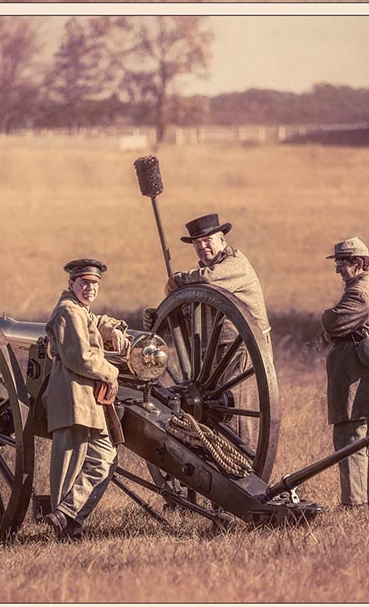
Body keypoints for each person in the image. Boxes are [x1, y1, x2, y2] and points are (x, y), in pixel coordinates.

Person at [148, 213, 272, 450]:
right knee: (216, 414)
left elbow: (208, 280)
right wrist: (158, 318)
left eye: (208, 240)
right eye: (197, 243)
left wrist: (179, 280)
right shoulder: (206, 273)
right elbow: (193, 310)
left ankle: (246, 469)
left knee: (238, 415)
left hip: (243, 349)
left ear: (222, 239)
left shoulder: (234, 265)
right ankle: (223, 463)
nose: (202, 246)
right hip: (216, 355)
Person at [43, 258, 131, 541]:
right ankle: (66, 530)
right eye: (84, 284)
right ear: (71, 284)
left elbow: (95, 322)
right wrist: (112, 371)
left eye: (94, 285)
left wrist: (113, 329)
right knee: (69, 465)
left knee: (105, 458)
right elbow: (80, 357)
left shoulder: (80, 310)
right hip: (71, 396)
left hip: (88, 401)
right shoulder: (68, 311)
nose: (90, 289)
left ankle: (67, 515)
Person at [320, 237, 369, 508]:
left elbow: (333, 322)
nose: (338, 269)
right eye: (337, 262)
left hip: (355, 379)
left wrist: (326, 316)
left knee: (349, 440)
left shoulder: (359, 292)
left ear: (359, 263)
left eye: (343, 262)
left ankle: (353, 505)